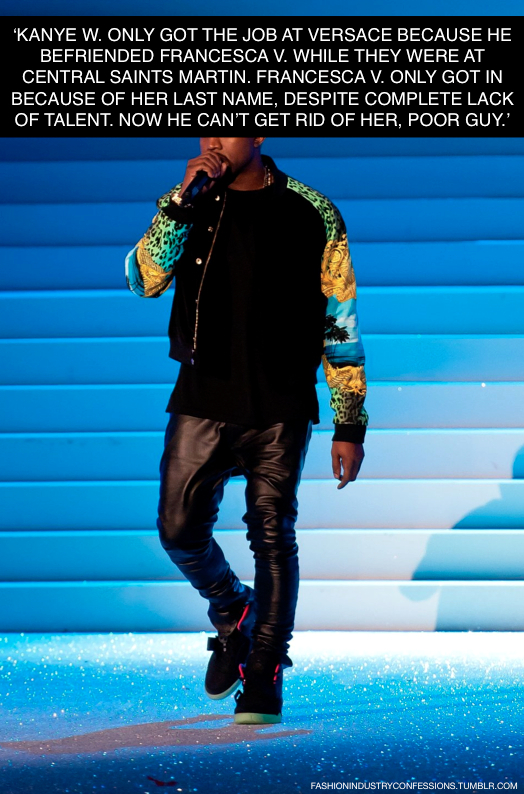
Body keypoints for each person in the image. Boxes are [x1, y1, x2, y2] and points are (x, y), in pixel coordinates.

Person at [125, 137, 368, 725]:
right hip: (203, 395)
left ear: (258, 134)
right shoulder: (188, 201)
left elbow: (339, 317)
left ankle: (264, 669)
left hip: (281, 401)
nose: (213, 141)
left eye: (227, 128)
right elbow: (142, 280)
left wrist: (350, 420)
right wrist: (179, 205)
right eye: (204, 129)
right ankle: (234, 609)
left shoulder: (312, 210)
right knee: (178, 530)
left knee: (272, 533)